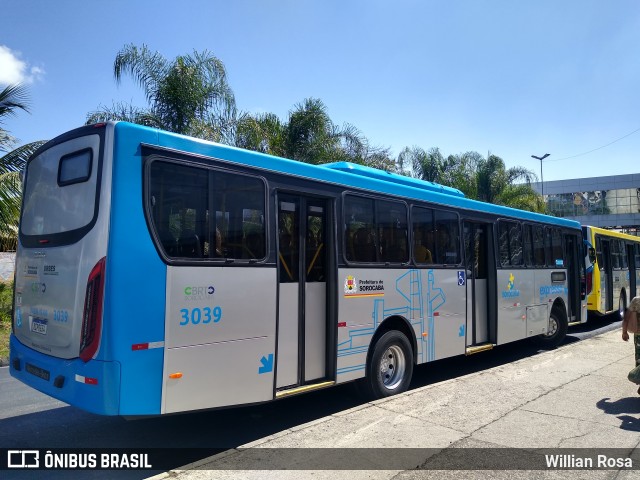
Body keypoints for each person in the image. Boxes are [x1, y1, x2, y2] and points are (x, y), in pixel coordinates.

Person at [622, 296, 640, 393]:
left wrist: (624, 332)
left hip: (638, 336)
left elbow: (626, 318)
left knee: (639, 360)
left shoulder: (636, 301)